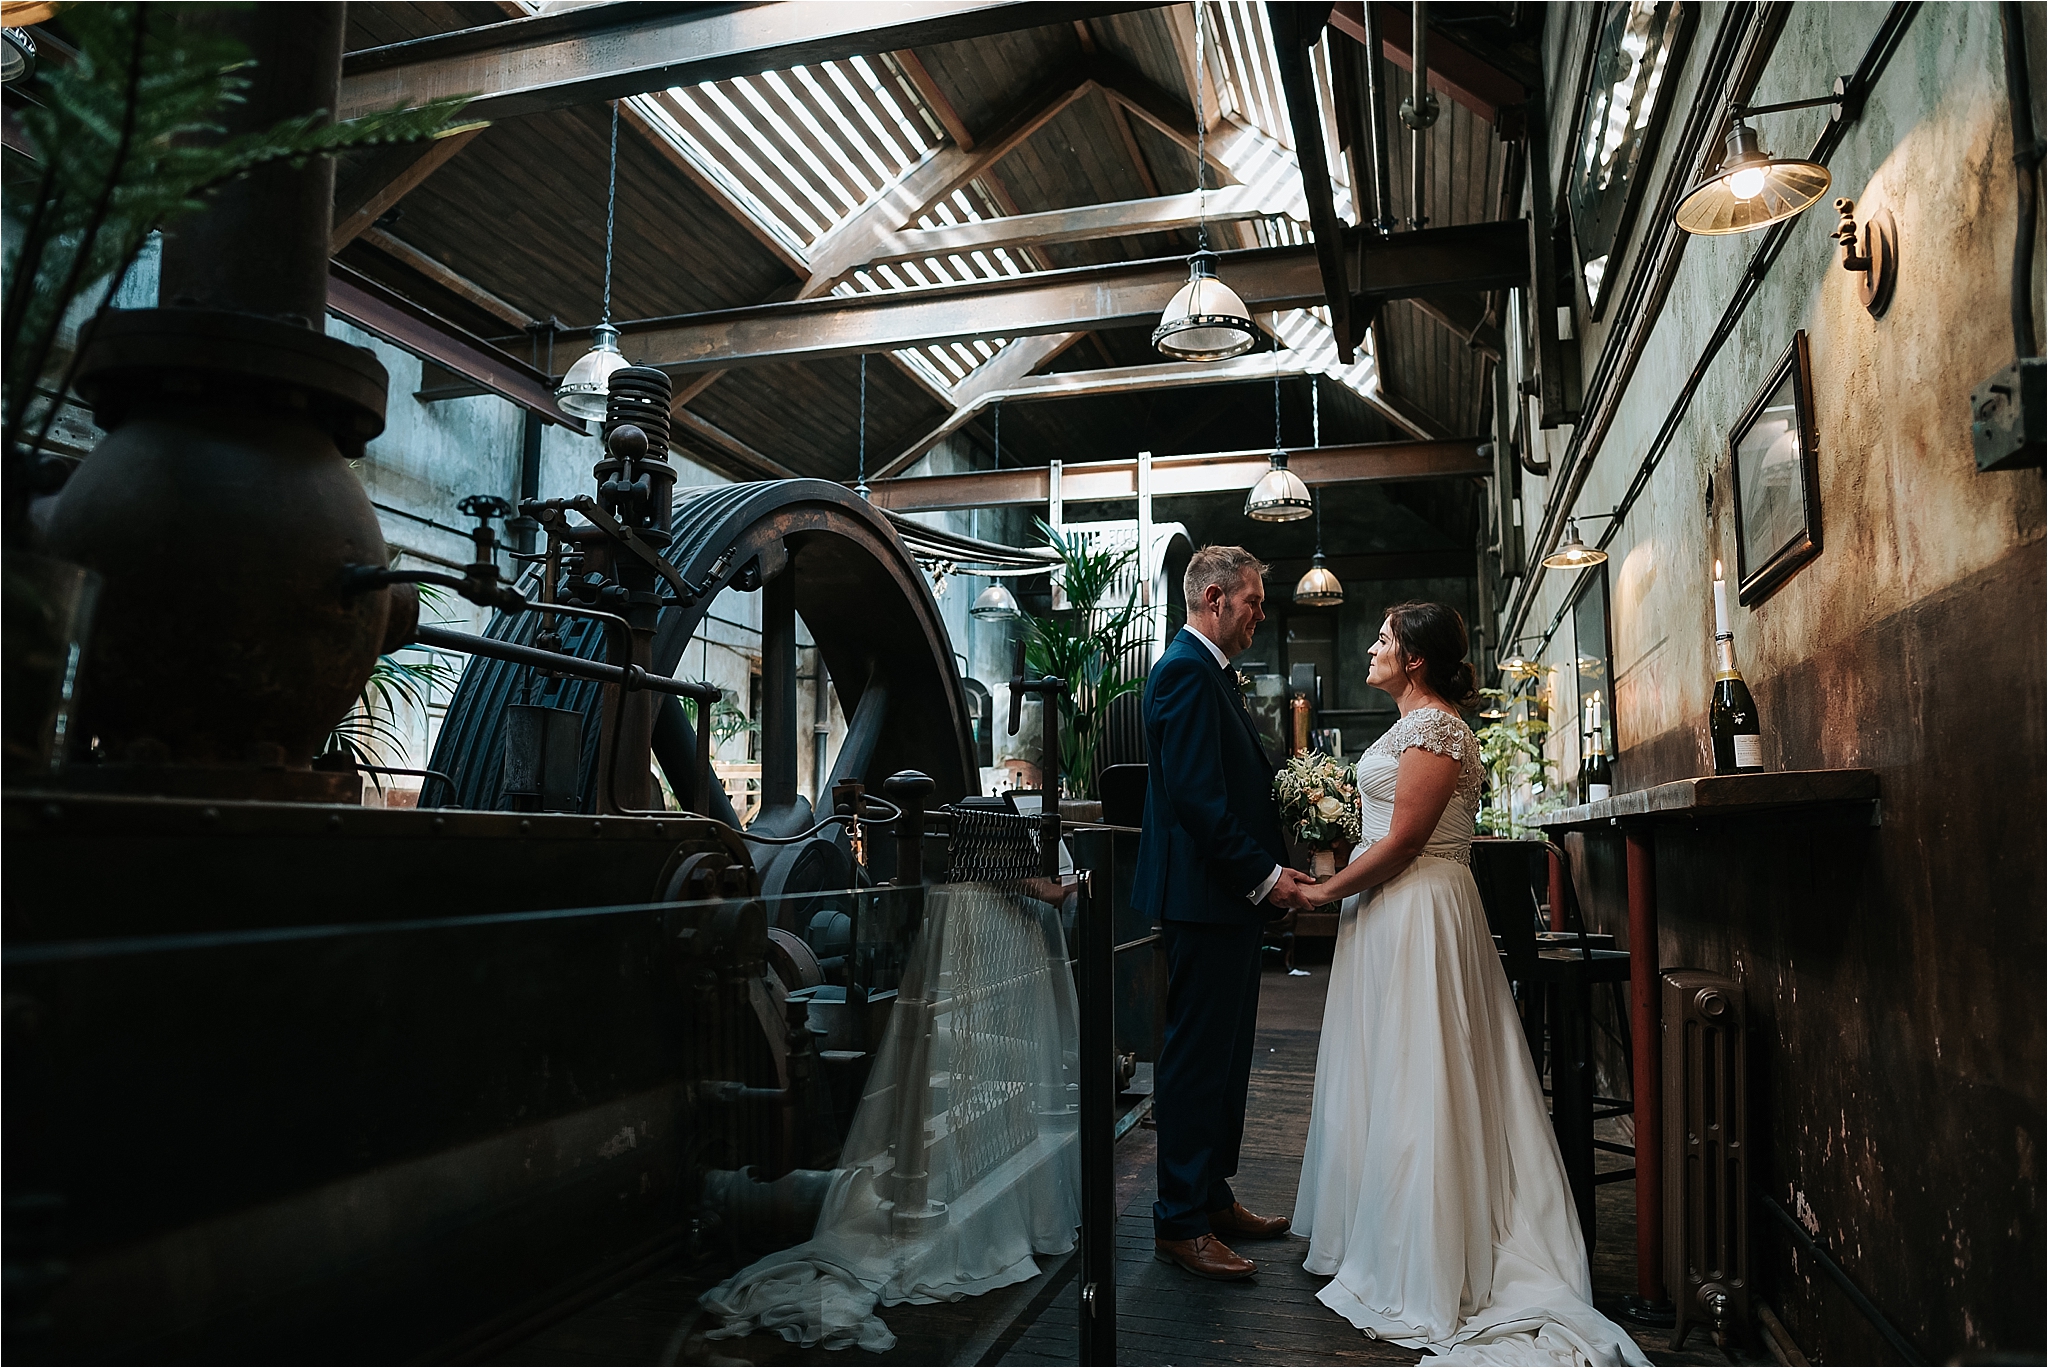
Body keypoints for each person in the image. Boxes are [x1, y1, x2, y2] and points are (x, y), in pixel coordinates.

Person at [1291, 602, 1649, 1366]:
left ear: (1416, 658)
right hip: (1387, 908)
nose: (1373, 648)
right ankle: (1380, 1226)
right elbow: (1381, 826)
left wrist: (1325, 893)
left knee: (1427, 1071)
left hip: (1420, 907)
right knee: (1387, 1068)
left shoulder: (1439, 729)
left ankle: (1432, 1247)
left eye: (1384, 639)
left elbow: (1408, 839)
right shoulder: (1413, 726)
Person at [1133, 545, 1316, 1282]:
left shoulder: (1210, 674)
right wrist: (1265, 876)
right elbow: (1198, 802)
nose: (1260, 615)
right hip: (1205, 900)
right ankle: (1177, 1221)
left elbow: (1233, 788)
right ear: (1214, 599)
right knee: (1195, 1062)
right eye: (1252, 602)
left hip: (1223, 902)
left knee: (1227, 1058)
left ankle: (1211, 1198)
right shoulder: (1182, 672)